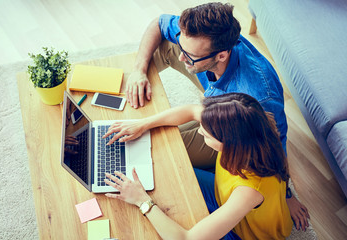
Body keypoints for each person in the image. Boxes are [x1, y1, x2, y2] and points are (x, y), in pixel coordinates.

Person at [124, 2, 309, 230]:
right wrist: (139, 72)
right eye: (184, 48)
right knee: (164, 46)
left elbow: (274, 145)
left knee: (165, 154)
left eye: (189, 56)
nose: (182, 58)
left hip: (234, 129)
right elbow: (160, 23)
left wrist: (286, 193)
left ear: (221, 55)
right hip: (220, 109)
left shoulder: (258, 97)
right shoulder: (196, 41)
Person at [103, 93, 293, 239]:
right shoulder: (247, 129)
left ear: (230, 143)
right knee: (169, 170)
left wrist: (141, 201)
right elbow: (191, 111)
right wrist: (142, 124)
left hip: (244, 233)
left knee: (166, 223)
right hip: (223, 194)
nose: (200, 130)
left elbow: (187, 238)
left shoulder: (249, 192)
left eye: (207, 135)